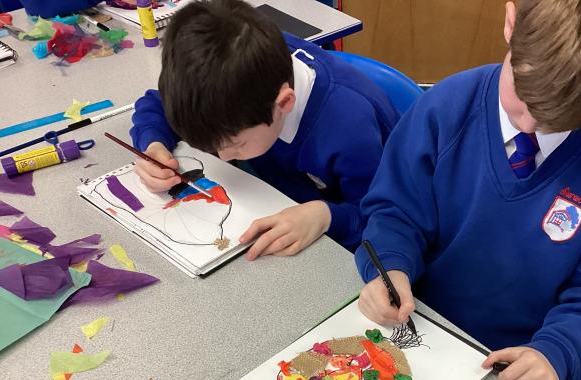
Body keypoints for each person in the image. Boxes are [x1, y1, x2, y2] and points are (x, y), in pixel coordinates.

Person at [355, 0, 581, 380]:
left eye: (560, 119)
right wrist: (390, 266)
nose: (529, 124)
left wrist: (560, 352)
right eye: (523, 95)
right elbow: (395, 210)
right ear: (511, 21)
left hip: (526, 362)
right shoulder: (446, 106)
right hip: (421, 326)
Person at [130, 0, 399, 258]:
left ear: (284, 103)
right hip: (272, 205)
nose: (224, 157)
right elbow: (155, 105)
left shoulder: (349, 131)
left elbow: (388, 221)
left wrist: (326, 216)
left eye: (236, 145)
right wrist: (154, 145)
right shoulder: (235, 78)